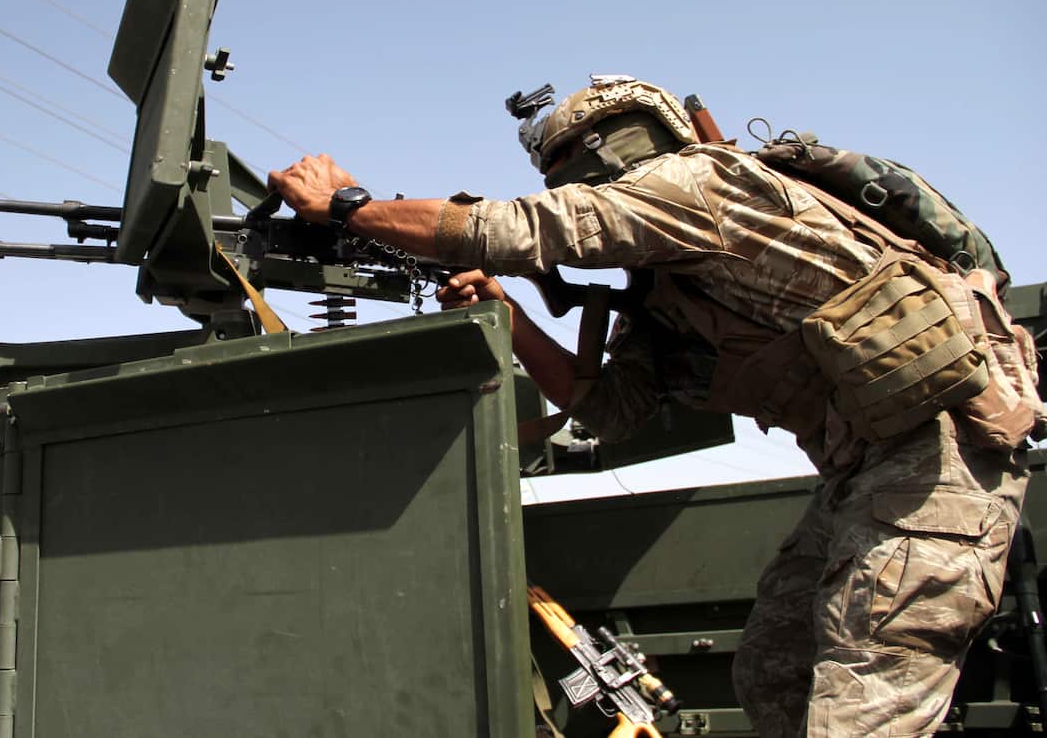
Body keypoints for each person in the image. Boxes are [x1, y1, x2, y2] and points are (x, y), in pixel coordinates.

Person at [268, 75, 1041, 737]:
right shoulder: (674, 293)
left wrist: (347, 205)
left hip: (936, 460)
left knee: (860, 704)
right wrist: (509, 314)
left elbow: (528, 228)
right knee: (775, 666)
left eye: (573, 165)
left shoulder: (704, 184)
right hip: (864, 476)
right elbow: (608, 408)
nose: (568, 185)